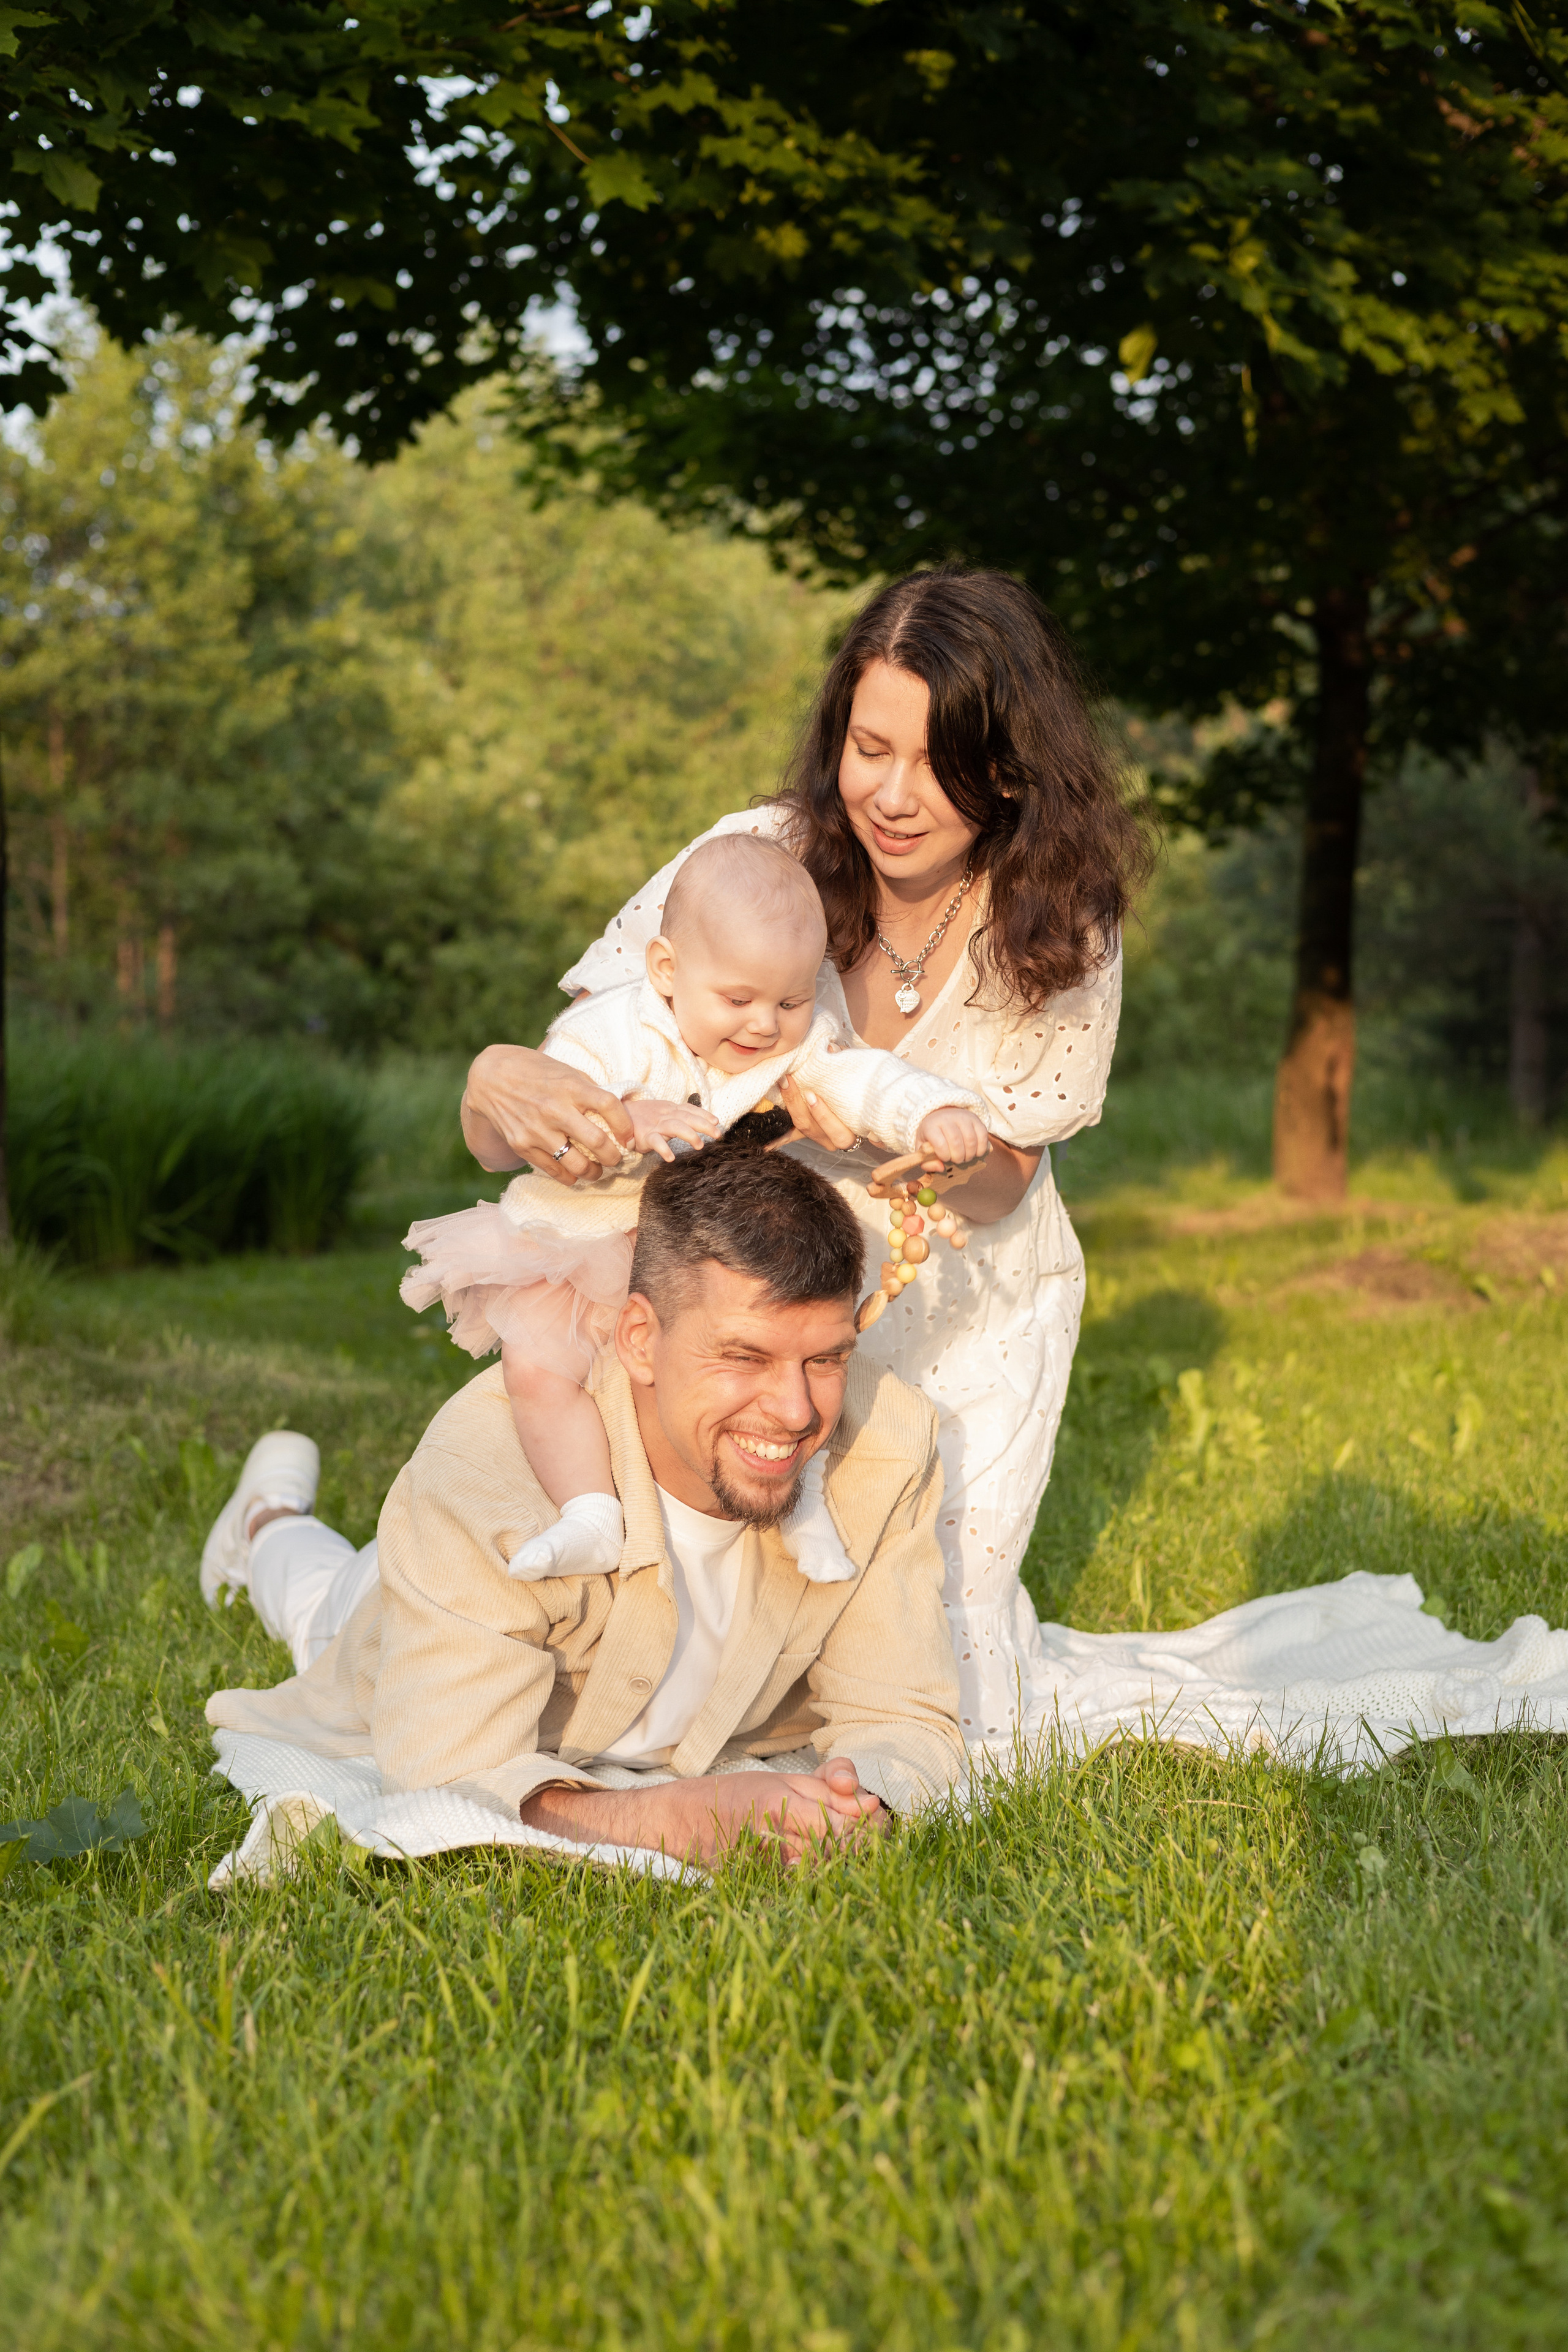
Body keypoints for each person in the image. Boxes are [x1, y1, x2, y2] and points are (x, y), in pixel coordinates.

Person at [458, 567, 1152, 1745]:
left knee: (928, 1696)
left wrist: (919, 1140)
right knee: (627, 1669)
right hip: (748, 1287)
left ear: (1011, 767)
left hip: (955, 1292)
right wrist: (493, 1081)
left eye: (937, 763)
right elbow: (570, 1094)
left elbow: (1005, 1184)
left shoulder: (1059, 915)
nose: (891, 794)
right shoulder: (759, 858)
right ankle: (280, 1537)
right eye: (868, 747)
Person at [202, 1147, 967, 1867]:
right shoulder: (486, 1472)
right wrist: (674, 1818)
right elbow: (452, 1777)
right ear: (638, 1338)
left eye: (825, 1358)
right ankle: (267, 1521)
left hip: (481, 1590)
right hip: (408, 1608)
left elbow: (901, 1717)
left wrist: (856, 1807)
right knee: (324, 1608)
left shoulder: (887, 1443)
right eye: (744, 1356)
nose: (797, 1410)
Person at [395, 832, 990, 1590]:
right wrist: (624, 1117)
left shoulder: (793, 1042)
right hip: (580, 1236)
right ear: (667, 971)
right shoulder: (616, 1029)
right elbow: (562, 1098)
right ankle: (589, 1514)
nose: (763, 1026)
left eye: (791, 1000)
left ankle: (801, 1508)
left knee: (758, 1379)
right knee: (541, 1372)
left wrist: (929, 1112)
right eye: (738, 1000)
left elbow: (861, 1079)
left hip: (690, 1248)